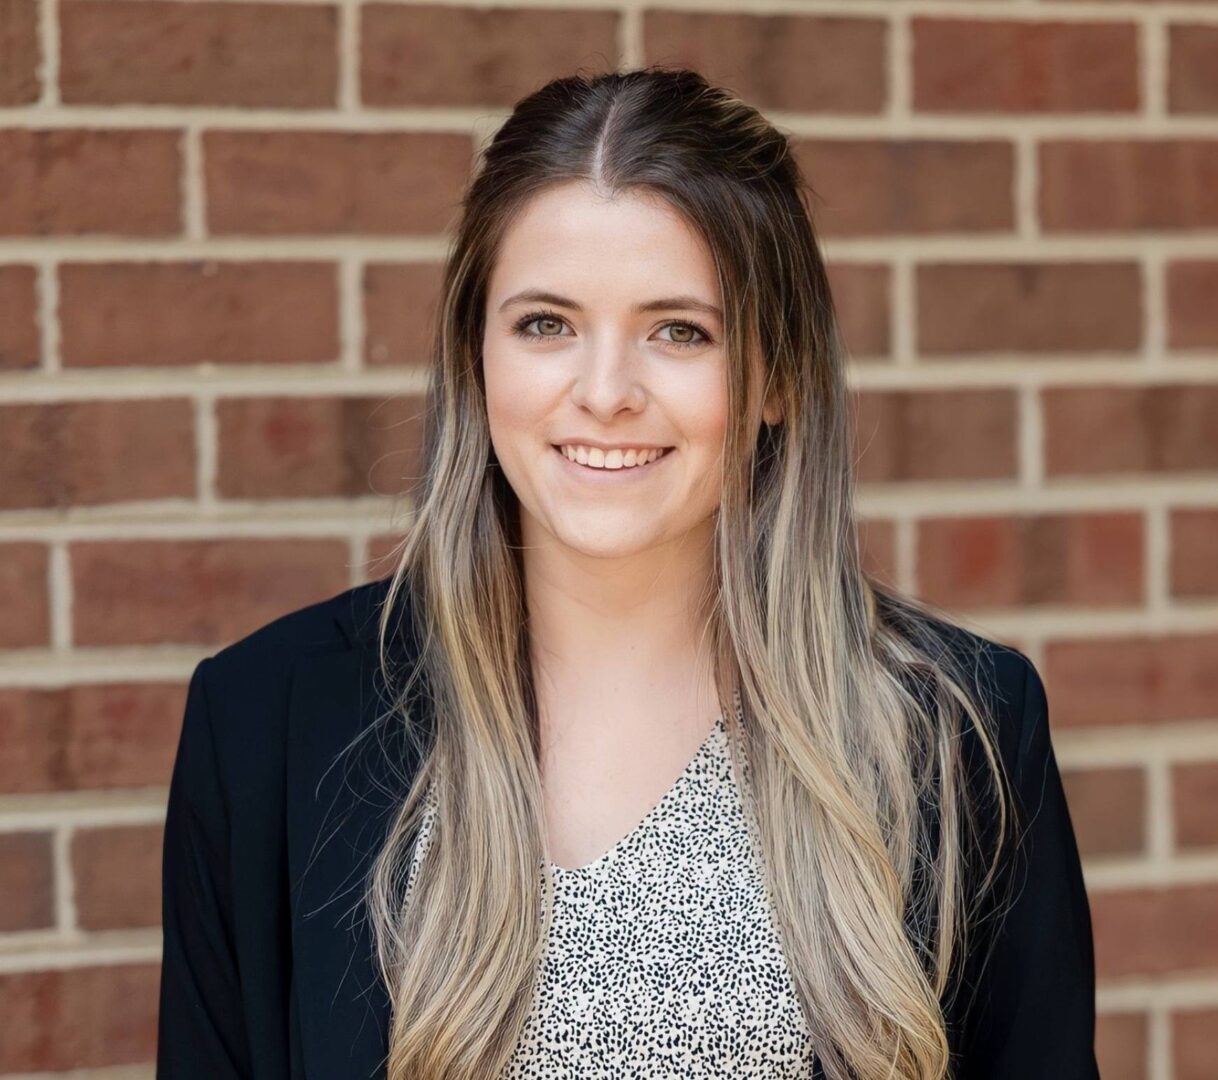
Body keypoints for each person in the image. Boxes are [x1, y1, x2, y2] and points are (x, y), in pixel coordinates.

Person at [156, 67, 1099, 1079]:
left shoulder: (957, 729)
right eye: (546, 324)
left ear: (777, 374)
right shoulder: (268, 718)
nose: (604, 393)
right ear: (478, 354)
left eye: (679, 331)